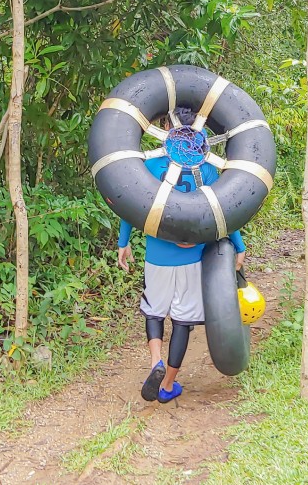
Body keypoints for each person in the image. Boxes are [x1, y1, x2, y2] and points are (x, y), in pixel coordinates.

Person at [117, 106, 245, 404]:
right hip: (192, 256)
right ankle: (168, 385)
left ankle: (155, 363)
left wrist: (124, 242)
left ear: (168, 129)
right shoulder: (209, 169)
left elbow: (130, 207)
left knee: (154, 311)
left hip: (157, 254)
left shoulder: (151, 166)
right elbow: (224, 213)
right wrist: (239, 246)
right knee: (184, 321)